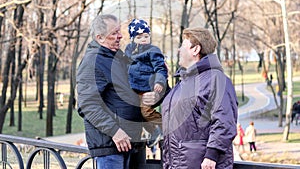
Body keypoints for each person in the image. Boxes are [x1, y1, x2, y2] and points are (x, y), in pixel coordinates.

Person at [76, 14, 157, 169]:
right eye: (113, 33)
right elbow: (87, 105)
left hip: (129, 143)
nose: (120, 36)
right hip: (111, 147)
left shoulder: (118, 58)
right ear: (100, 38)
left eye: (119, 31)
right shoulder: (93, 61)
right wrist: (115, 132)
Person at [152, 27, 238, 169]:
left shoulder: (214, 79)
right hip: (177, 164)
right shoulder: (185, 81)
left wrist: (212, 155)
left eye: (182, 45)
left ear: (195, 49)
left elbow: (224, 120)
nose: (179, 50)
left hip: (201, 164)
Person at [125, 18, 168, 148]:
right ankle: (154, 132)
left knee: (146, 112)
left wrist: (160, 82)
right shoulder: (129, 52)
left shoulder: (153, 51)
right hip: (135, 89)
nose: (143, 39)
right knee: (139, 114)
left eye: (146, 36)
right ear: (132, 39)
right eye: (139, 37)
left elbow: (160, 68)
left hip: (149, 88)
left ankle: (166, 126)